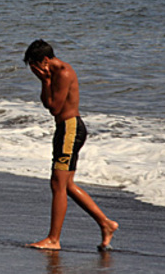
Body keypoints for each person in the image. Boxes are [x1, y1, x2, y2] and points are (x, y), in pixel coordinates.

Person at [23, 39, 118, 251]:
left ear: (44, 60)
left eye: (34, 66)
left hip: (71, 130)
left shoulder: (63, 73)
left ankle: (53, 239)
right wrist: (45, 81)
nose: (33, 71)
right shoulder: (52, 74)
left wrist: (45, 81)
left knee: (58, 184)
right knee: (66, 185)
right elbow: (48, 104)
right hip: (65, 129)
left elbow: (55, 108)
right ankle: (106, 224)